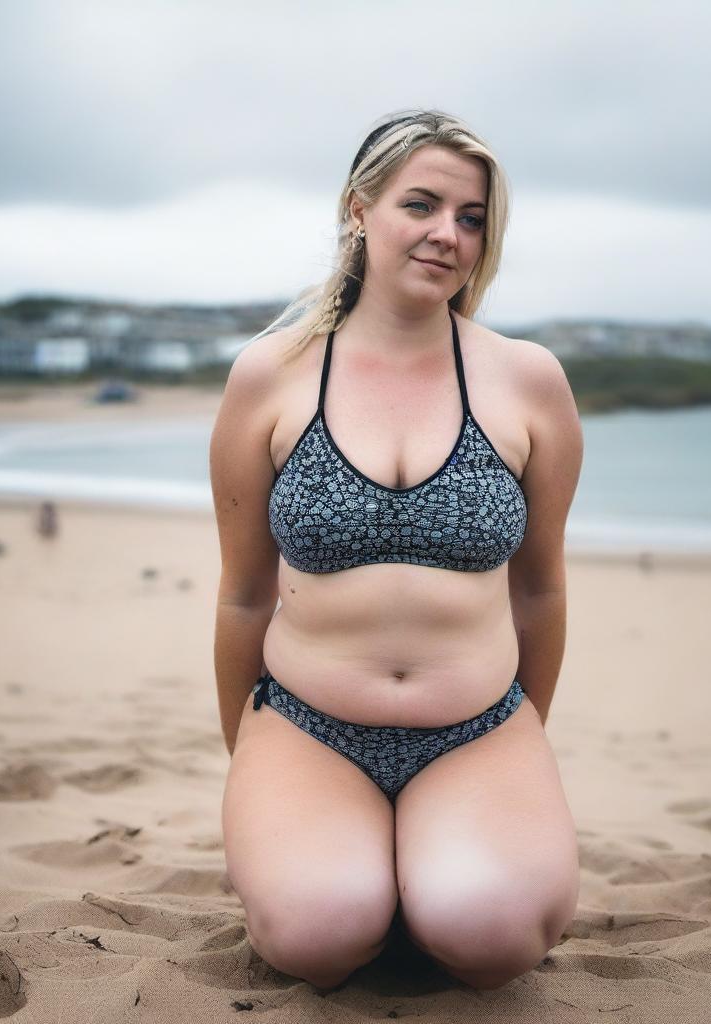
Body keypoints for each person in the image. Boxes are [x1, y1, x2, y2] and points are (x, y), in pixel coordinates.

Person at [210, 109, 584, 993]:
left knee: (491, 934)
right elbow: (242, 596)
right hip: (306, 726)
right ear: (358, 209)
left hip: (479, 730)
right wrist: (251, 761)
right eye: (422, 204)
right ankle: (356, 871)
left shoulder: (529, 381)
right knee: (317, 932)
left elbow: (542, 590)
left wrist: (520, 729)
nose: (447, 234)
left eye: (471, 218)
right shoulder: (272, 375)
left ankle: (435, 870)